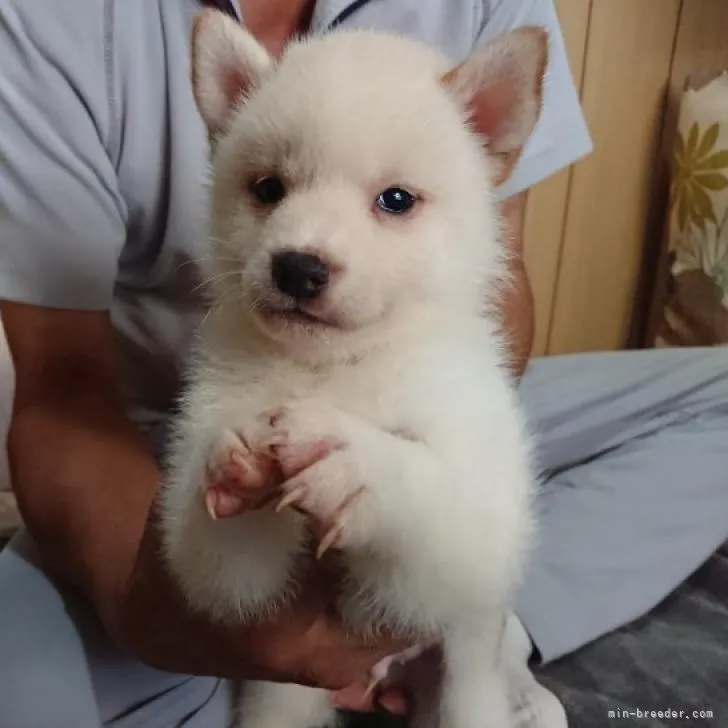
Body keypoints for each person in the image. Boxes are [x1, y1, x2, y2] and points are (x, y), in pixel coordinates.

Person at [0, 0, 726, 726]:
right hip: (139, 439)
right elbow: (67, 395)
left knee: (475, 550)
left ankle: (491, 636)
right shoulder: (53, 21)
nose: (304, 245)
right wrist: (163, 596)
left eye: (395, 201)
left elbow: (497, 305)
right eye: (270, 190)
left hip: (420, 379)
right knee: (27, 680)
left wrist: (407, 476)